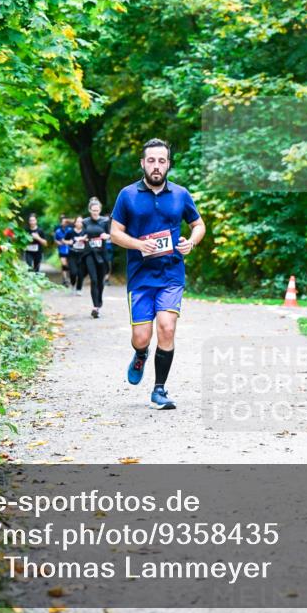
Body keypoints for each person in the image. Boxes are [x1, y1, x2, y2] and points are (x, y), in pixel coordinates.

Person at [109, 138, 205, 410]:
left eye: (161, 161)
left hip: (171, 274)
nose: (156, 166)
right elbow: (115, 233)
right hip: (140, 277)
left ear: (168, 164)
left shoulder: (180, 194)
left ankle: (159, 389)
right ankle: (140, 354)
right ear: (142, 163)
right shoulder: (127, 195)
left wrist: (191, 242)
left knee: (167, 326)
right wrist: (139, 244)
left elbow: (199, 225)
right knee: (141, 337)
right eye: (151, 160)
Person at [82, 198, 111, 318]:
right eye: (93, 210)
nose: (95, 212)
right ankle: (95, 307)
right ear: (89, 210)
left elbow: (111, 235)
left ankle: (99, 301)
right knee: (93, 280)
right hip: (90, 253)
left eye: (97, 210)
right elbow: (82, 234)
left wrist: (107, 236)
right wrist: (83, 238)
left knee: (100, 280)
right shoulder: (85, 222)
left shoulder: (105, 221)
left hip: (102, 254)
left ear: (100, 210)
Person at [69, 216, 88, 294]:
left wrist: (85, 239)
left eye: (81, 221)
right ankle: (73, 285)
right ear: (75, 223)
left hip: (82, 254)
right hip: (73, 254)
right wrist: (70, 241)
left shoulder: (85, 232)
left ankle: (79, 289)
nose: (79, 223)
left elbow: (89, 240)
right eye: (77, 221)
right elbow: (65, 240)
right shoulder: (70, 232)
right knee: (73, 272)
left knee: (81, 273)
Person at [54, 215, 74, 287]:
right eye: (63, 222)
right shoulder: (58, 231)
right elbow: (55, 240)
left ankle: (68, 278)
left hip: (70, 249)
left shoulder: (70, 230)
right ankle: (65, 279)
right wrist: (58, 243)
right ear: (61, 223)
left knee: (69, 265)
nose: (64, 223)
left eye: (66, 222)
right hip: (62, 250)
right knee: (64, 264)